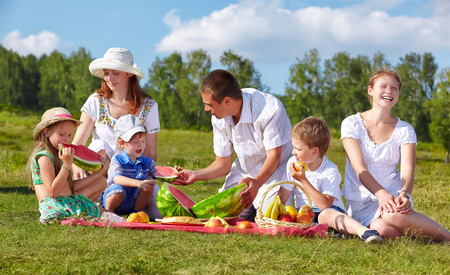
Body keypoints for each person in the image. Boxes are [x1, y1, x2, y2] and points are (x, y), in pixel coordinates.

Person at [341, 66, 450, 242]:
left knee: (391, 216)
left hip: (394, 196)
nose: (389, 91)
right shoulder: (351, 124)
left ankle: (446, 237)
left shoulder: (405, 129)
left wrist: (404, 194)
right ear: (370, 90)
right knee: (381, 230)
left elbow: (408, 171)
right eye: (383, 86)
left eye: (394, 88)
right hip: (362, 200)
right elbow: (360, 168)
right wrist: (381, 194)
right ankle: (422, 234)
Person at [174, 69, 293, 221]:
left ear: (227, 101)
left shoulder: (271, 110)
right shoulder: (218, 117)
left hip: (277, 173)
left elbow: (274, 157)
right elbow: (223, 163)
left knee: (269, 219)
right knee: (219, 217)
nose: (206, 109)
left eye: (209, 105)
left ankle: (256, 211)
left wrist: (256, 183)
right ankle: (248, 212)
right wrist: (196, 175)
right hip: (244, 173)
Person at [277, 117, 384, 244]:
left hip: (329, 212)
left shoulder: (330, 170)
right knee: (293, 218)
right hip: (304, 215)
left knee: (325, 215)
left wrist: (303, 180)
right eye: (294, 147)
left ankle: (364, 232)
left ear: (315, 151)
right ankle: (329, 233)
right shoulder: (293, 163)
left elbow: (325, 205)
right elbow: (283, 195)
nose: (293, 152)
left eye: (298, 149)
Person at [71, 47, 160, 177]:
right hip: (98, 174)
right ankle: (100, 191)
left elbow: (151, 153)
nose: (109, 78)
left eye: (115, 73)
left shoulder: (149, 105)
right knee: (98, 144)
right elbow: (77, 144)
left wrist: (143, 179)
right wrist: (75, 166)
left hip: (131, 173)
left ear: (129, 73)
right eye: (106, 73)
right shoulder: (96, 101)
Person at [27, 107, 109, 223]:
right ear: (46, 132)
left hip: (66, 199)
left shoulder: (59, 153)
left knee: (101, 182)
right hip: (56, 208)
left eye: (69, 135)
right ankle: (80, 211)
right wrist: (66, 164)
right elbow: (53, 192)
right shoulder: (44, 157)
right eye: (61, 134)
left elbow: (70, 188)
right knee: (105, 214)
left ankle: (84, 209)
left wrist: (98, 175)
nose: (66, 139)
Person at [102, 114, 161, 218]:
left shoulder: (147, 162)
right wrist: (138, 183)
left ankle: (133, 214)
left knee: (148, 187)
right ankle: (108, 213)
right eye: (135, 142)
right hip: (115, 197)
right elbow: (116, 178)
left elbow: (160, 174)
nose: (141, 145)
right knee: (118, 189)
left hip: (131, 200)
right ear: (122, 143)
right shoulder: (117, 159)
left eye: (143, 141)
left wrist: (176, 174)